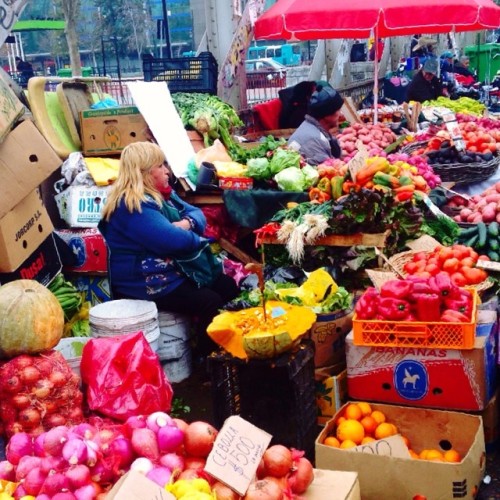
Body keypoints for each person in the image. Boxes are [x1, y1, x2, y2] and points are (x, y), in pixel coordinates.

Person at [98, 141, 239, 357]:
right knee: (210, 303)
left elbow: (197, 214)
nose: (167, 170)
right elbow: (174, 241)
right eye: (160, 165)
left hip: (170, 272)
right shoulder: (131, 205)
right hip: (145, 283)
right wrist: (197, 238)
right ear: (144, 172)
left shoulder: (162, 194)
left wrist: (186, 224)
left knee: (227, 286)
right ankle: (209, 360)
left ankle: (228, 346)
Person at [287, 85, 344, 165]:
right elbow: (329, 170)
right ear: (326, 115)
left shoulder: (310, 127)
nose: (341, 114)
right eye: (338, 110)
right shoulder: (314, 140)